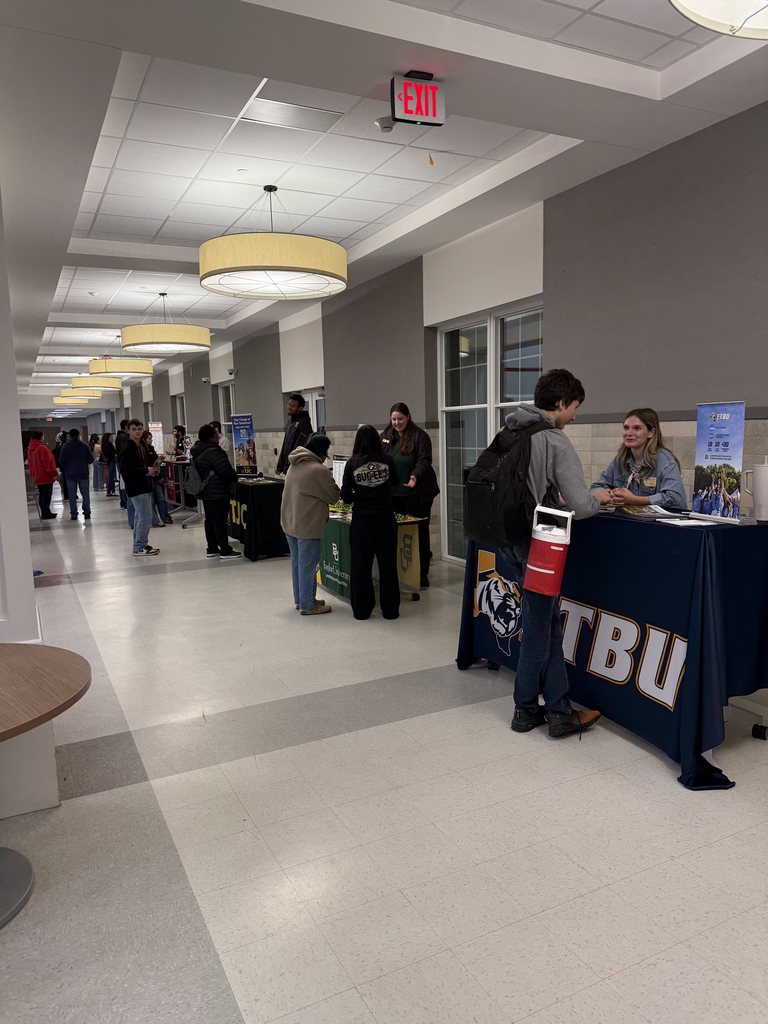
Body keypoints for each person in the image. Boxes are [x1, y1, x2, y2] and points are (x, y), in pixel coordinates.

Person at [505, 369, 606, 740]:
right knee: (541, 628)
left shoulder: (511, 431)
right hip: (539, 544)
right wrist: (600, 498)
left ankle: (542, 709)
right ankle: (535, 710)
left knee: (543, 624)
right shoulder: (554, 439)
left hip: (508, 540)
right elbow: (580, 505)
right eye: (575, 407)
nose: (575, 416)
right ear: (561, 403)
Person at [341, 425, 400, 621]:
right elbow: (397, 484)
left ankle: (361, 610)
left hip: (362, 521)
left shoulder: (352, 463)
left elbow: (346, 496)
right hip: (385, 518)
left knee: (360, 566)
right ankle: (391, 611)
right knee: (388, 565)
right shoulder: (388, 460)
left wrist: (359, 493)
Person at [380, 402, 439, 588]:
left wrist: (414, 476)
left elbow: (424, 461)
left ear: (408, 417)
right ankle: (403, 570)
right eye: (394, 419)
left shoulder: (420, 436)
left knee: (419, 532)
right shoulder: (386, 436)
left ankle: (422, 573)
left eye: (400, 419)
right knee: (396, 531)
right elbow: (380, 458)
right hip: (394, 493)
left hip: (417, 493)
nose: (397, 423)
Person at [280, 433, 340, 615]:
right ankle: (308, 605)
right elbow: (334, 496)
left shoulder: (294, 464)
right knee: (308, 565)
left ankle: (302, 599)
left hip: (290, 522)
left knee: (298, 564)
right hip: (307, 525)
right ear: (322, 452)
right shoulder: (318, 470)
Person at [591, 408, 687, 510]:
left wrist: (634, 500)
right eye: (626, 428)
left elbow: (675, 498)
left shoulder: (665, 460)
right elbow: (595, 487)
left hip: (657, 523)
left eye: (637, 428)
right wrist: (610, 495)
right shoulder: (620, 458)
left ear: (651, 432)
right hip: (628, 520)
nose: (629, 433)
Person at [190, 424, 240, 559]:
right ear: (211, 437)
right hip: (217, 491)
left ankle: (212, 547)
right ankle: (225, 549)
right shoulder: (213, 450)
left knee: (210, 520)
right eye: (216, 433)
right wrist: (234, 475)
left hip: (206, 490)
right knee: (220, 521)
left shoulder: (197, 450)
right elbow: (224, 470)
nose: (219, 435)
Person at [117, 418, 160, 556]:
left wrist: (150, 471)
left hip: (143, 484)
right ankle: (139, 547)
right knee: (145, 517)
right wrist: (145, 470)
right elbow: (125, 470)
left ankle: (140, 544)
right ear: (128, 430)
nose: (137, 432)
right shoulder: (127, 449)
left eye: (139, 429)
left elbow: (140, 467)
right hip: (136, 487)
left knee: (139, 517)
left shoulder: (139, 446)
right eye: (134, 429)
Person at [58, 428, 94, 521]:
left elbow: (61, 461)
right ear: (79, 436)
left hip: (70, 474)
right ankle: (87, 513)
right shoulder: (85, 446)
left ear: (69, 436)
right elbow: (90, 460)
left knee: (72, 495)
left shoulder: (65, 447)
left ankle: (74, 514)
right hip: (83, 474)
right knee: (85, 494)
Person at [141, 430, 173, 527]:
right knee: (151, 501)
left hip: (155, 476)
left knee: (161, 498)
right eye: (149, 439)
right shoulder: (142, 450)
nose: (151, 440)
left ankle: (165, 517)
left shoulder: (151, 448)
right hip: (149, 477)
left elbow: (155, 461)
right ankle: (154, 520)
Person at [276, 394, 312, 474]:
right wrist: (280, 466)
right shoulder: (290, 422)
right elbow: (285, 444)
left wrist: (290, 465)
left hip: (298, 468)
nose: (289, 407)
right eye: (289, 404)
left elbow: (301, 447)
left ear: (300, 408)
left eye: (293, 406)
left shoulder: (304, 422)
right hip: (289, 467)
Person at [26, 431, 58, 519]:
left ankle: (46, 512)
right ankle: (45, 513)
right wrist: (54, 473)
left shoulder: (30, 448)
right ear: (41, 437)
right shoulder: (41, 448)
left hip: (36, 475)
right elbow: (47, 463)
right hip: (45, 475)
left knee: (42, 495)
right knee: (47, 495)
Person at [115, 419, 130, 509]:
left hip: (120, 461)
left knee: (122, 482)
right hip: (123, 462)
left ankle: (123, 503)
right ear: (125, 427)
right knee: (124, 483)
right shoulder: (123, 437)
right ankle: (125, 503)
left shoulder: (119, 436)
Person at [53, 430, 69, 502]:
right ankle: (67, 495)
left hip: (62, 465)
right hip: (64, 466)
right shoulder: (64, 445)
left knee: (64, 480)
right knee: (66, 481)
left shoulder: (60, 444)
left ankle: (67, 494)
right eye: (68, 436)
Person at [101, 432, 117, 496]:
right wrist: (114, 452)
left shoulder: (109, 445)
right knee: (111, 477)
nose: (112, 439)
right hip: (110, 462)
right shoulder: (106, 445)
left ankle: (112, 491)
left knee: (112, 477)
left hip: (112, 462)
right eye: (111, 437)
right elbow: (108, 453)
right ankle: (109, 491)